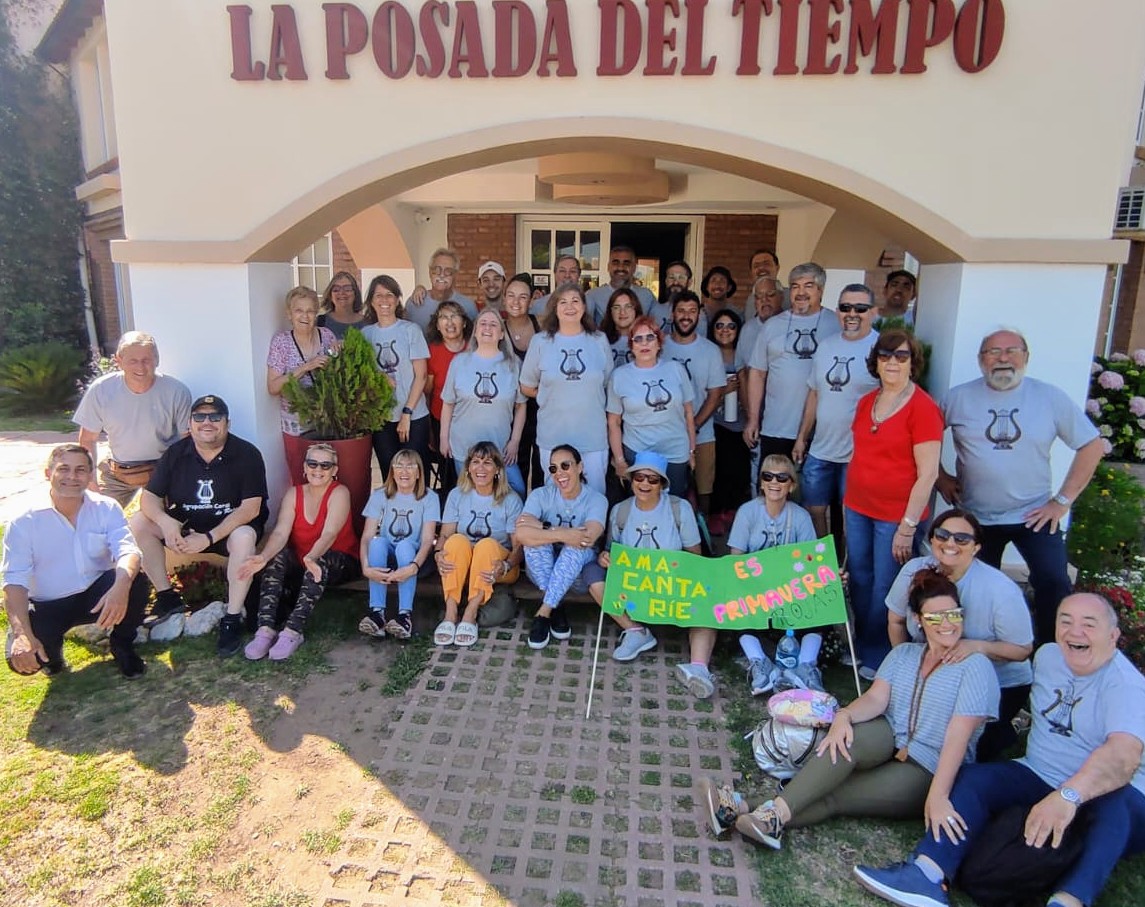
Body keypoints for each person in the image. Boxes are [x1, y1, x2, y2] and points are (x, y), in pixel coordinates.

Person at [854, 593, 1145, 907]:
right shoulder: (1049, 657)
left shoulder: (1126, 685)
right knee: (975, 779)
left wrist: (1068, 795)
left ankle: (1068, 901)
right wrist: (975, 647)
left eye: (1089, 624)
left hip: (1108, 792)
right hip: (1040, 772)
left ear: (1113, 636)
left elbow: (1122, 757)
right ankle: (927, 873)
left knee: (1117, 809)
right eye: (1066, 621)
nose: (1075, 632)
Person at [701, 570, 998, 851]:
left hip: (927, 763)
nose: (947, 624)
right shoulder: (905, 654)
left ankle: (746, 810)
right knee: (845, 741)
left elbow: (959, 736)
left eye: (953, 614)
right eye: (936, 616)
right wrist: (844, 716)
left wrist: (940, 794)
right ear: (918, 620)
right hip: (890, 735)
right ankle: (760, 815)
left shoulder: (975, 667)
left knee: (837, 795)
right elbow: (876, 699)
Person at [938, 328, 1103, 646]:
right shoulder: (957, 398)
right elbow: (922, 438)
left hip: (1034, 515)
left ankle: (1049, 652)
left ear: (1026, 357)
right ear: (981, 360)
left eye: (1012, 351)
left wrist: (1062, 501)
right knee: (974, 589)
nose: (1003, 358)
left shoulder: (1049, 398)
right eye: (993, 352)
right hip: (976, 517)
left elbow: (1092, 446)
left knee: (1053, 581)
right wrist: (940, 477)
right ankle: (978, 651)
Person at [885, 508, 1034, 760]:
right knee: (902, 728)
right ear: (932, 539)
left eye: (962, 539)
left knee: (970, 752)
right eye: (942, 535)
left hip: (1000, 681)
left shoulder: (1000, 590)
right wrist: (904, 668)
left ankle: (1007, 727)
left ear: (976, 547)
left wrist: (977, 646)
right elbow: (896, 621)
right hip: (933, 669)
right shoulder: (913, 571)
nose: (950, 543)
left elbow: (1023, 650)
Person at [130, 395, 269, 657]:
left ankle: (232, 617)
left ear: (227, 423)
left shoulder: (246, 453)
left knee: (244, 537)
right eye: (200, 416)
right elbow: (149, 498)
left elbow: (251, 508)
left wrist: (209, 537)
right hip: (187, 526)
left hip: (228, 529)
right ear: (190, 423)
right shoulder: (176, 453)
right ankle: (167, 598)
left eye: (215, 416)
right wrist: (167, 523)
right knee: (139, 522)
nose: (207, 422)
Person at [844, 329, 943, 678]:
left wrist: (908, 526)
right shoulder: (866, 402)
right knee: (859, 578)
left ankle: (879, 653)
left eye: (901, 356)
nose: (893, 363)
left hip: (896, 517)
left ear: (912, 362)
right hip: (857, 507)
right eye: (886, 356)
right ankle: (859, 643)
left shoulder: (924, 409)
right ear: (876, 361)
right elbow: (859, 455)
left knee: (886, 586)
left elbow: (928, 474)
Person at [2, 444, 148, 679]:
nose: (72, 476)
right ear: (48, 473)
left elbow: (128, 551)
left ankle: (122, 645)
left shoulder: (106, 507)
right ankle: (52, 656)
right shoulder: (23, 521)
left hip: (97, 596)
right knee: (24, 662)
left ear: (90, 475)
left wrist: (121, 587)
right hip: (49, 604)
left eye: (80, 470)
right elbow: (14, 582)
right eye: (63, 469)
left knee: (135, 579)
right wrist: (22, 634)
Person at [238, 443, 359, 661]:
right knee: (276, 557)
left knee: (319, 562)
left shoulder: (339, 492)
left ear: (334, 470)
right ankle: (265, 630)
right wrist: (263, 556)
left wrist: (312, 557)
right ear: (304, 467)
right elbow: (280, 533)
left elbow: (330, 533)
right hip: (304, 560)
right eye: (312, 463)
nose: (318, 469)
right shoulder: (294, 494)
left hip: (339, 560)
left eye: (325, 465)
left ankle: (293, 631)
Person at [590, 451, 702, 666]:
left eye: (653, 479)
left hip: (669, 586)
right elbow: (612, 551)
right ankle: (635, 631)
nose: (644, 483)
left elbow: (695, 556)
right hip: (633, 587)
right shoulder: (620, 510)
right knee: (593, 575)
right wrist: (605, 557)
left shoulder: (679, 508)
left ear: (662, 484)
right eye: (639, 477)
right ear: (632, 480)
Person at [792, 284, 881, 537]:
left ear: (873, 312)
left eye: (860, 308)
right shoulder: (826, 346)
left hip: (858, 454)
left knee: (852, 516)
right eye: (845, 307)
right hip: (821, 448)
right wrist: (802, 437)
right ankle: (826, 559)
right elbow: (814, 393)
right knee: (814, 510)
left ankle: (849, 561)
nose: (852, 313)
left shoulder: (881, 349)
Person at [727, 454, 819, 695]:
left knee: (822, 597)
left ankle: (806, 666)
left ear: (792, 485)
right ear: (761, 482)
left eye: (782, 477)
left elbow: (811, 561)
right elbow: (736, 558)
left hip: (790, 589)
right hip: (755, 588)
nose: (774, 482)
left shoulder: (800, 516)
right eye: (767, 476)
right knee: (736, 601)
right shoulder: (747, 512)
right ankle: (759, 663)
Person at [73, 331, 191, 507]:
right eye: (133, 361)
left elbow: (186, 440)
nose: (140, 368)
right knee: (95, 514)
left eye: (146, 360)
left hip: (163, 468)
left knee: (168, 517)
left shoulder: (177, 391)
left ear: (157, 360)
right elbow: (88, 439)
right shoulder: (101, 390)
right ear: (118, 361)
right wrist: (91, 480)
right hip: (118, 470)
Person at [519, 282, 614, 494]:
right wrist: (551, 395)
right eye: (563, 302)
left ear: (584, 306)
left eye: (575, 301)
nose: (569, 307)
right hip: (553, 437)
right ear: (554, 307)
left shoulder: (599, 340)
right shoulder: (540, 342)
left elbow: (607, 383)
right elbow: (526, 386)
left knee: (594, 498)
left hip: (592, 438)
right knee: (556, 499)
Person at [744, 262, 841, 465]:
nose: (801, 292)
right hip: (776, 427)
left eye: (808, 286)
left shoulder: (835, 324)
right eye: (796, 286)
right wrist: (753, 419)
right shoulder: (772, 326)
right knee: (773, 481)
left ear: (821, 290)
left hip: (822, 432)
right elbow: (757, 373)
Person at [516, 444, 609, 650]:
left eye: (565, 466)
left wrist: (542, 528)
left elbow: (588, 538)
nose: (559, 473)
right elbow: (521, 532)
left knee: (576, 548)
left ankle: (543, 613)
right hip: (543, 571)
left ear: (580, 467)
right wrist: (562, 533)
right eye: (553, 468)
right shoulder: (541, 495)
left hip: (577, 576)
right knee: (534, 545)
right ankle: (554, 606)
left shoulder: (596, 499)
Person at [435, 441, 524, 648]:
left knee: (486, 545)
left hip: (500, 567)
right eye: (475, 462)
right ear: (468, 467)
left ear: (498, 470)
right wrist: (438, 553)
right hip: (465, 564)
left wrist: (506, 565)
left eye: (487, 463)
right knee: (456, 541)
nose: (480, 468)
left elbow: (519, 547)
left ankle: (470, 613)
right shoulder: (457, 495)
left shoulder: (511, 500)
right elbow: (446, 534)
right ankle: (450, 613)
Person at [440, 309, 527, 496]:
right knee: (469, 494)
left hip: (500, 448)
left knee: (518, 490)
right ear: (475, 331)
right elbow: (448, 403)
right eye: (483, 324)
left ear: (501, 334)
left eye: (493, 324)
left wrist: (515, 441)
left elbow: (521, 406)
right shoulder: (459, 362)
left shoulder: (514, 365)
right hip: (464, 447)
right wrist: (443, 438)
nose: (487, 328)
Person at [606, 316, 695, 496]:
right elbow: (614, 422)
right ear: (631, 346)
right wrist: (620, 460)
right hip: (639, 452)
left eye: (650, 337)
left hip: (675, 451)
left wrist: (692, 450)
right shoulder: (619, 376)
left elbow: (688, 413)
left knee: (673, 503)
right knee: (642, 504)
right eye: (638, 339)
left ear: (659, 342)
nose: (644, 343)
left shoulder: (676, 369)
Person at [359, 449, 439, 640]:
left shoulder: (429, 497)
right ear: (392, 472)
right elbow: (367, 536)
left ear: (419, 473)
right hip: (387, 556)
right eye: (399, 466)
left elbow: (428, 540)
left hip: (414, 556)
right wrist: (365, 567)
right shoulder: (380, 495)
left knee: (404, 546)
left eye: (410, 466)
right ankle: (377, 613)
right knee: (377, 543)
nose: (404, 471)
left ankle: (405, 616)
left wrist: (414, 566)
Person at [361, 274, 432, 479]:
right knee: (390, 476)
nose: (384, 300)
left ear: (397, 299)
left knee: (416, 475)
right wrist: (378, 377)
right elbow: (361, 375)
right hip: (382, 419)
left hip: (414, 416)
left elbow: (421, 375)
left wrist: (407, 413)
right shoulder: (366, 334)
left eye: (389, 295)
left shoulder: (410, 330)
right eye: (378, 295)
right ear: (371, 301)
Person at [662, 290, 725, 516]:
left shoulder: (710, 350)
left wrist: (694, 425)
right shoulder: (659, 346)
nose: (686, 316)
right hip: (665, 434)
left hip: (702, 434)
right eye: (681, 311)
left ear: (699, 314)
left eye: (692, 311)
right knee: (667, 489)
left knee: (703, 490)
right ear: (672, 314)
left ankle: (702, 532)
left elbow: (715, 394)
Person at [266, 286, 337, 443]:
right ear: (289, 314)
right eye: (299, 310)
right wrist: (306, 367)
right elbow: (273, 387)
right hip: (296, 426)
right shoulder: (281, 342)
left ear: (316, 313)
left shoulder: (327, 336)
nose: (305, 316)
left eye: (310, 311)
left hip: (327, 421)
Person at [707, 308, 751, 533]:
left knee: (738, 470)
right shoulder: (708, 353)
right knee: (719, 470)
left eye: (731, 326)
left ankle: (733, 513)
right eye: (720, 325)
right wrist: (723, 391)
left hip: (741, 423)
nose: (725, 330)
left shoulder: (744, 354)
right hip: (715, 423)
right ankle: (715, 514)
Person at [503, 273, 543, 491]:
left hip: (542, 404)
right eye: (511, 295)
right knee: (516, 463)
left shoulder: (542, 325)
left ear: (531, 300)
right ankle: (518, 507)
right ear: (504, 299)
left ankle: (539, 507)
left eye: (522, 297)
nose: (516, 302)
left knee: (542, 464)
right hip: (513, 408)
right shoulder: (497, 329)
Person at [401, 247, 479, 333]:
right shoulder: (414, 303)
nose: (442, 275)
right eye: (437, 270)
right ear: (430, 273)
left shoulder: (468, 306)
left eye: (448, 271)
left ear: (455, 275)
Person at [585, 245, 657, 326]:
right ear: (608, 267)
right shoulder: (592, 296)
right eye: (615, 263)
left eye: (626, 263)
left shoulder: (646, 295)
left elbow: (656, 325)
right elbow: (585, 328)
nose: (620, 267)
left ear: (634, 268)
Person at [738, 275, 786, 363]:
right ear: (755, 303)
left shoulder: (792, 325)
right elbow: (740, 365)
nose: (764, 299)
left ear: (781, 297)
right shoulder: (747, 328)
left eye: (770, 294)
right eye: (759, 296)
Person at [599, 286, 642, 368]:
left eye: (628, 306)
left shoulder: (645, 339)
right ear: (610, 312)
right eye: (616, 307)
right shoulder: (599, 339)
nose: (622, 312)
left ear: (636, 310)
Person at [317, 271, 365, 339]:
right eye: (336, 289)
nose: (342, 293)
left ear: (355, 293)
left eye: (347, 289)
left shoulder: (369, 323)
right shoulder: (320, 322)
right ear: (330, 295)